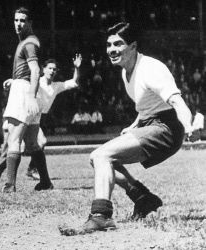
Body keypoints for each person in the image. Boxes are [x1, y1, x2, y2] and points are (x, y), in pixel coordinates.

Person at [63, 22, 196, 235]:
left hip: (167, 129)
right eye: (108, 45)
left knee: (102, 155)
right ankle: (144, 199)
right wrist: (134, 125)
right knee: (97, 159)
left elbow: (178, 103)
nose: (112, 50)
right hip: (150, 123)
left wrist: (188, 126)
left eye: (118, 44)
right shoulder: (126, 71)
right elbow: (146, 106)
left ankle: (101, 216)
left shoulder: (151, 69)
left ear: (133, 46)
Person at [0, 56, 82, 182]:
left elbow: (74, 82)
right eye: (50, 68)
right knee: (38, 143)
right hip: (28, 114)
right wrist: (11, 82)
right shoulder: (36, 81)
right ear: (43, 69)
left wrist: (77, 67)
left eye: (55, 69)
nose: (52, 71)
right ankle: (29, 170)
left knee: (27, 147)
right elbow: (23, 83)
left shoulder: (57, 86)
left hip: (38, 116)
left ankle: (2, 169)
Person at [0, 7, 51, 193]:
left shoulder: (28, 43)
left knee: (14, 138)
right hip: (29, 91)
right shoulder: (28, 42)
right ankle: (45, 181)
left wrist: (28, 95)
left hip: (25, 93)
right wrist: (14, 80)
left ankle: (9, 185)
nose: (18, 24)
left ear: (30, 23)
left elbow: (36, 70)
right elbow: (30, 72)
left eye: (23, 20)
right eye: (16, 20)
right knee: (31, 143)